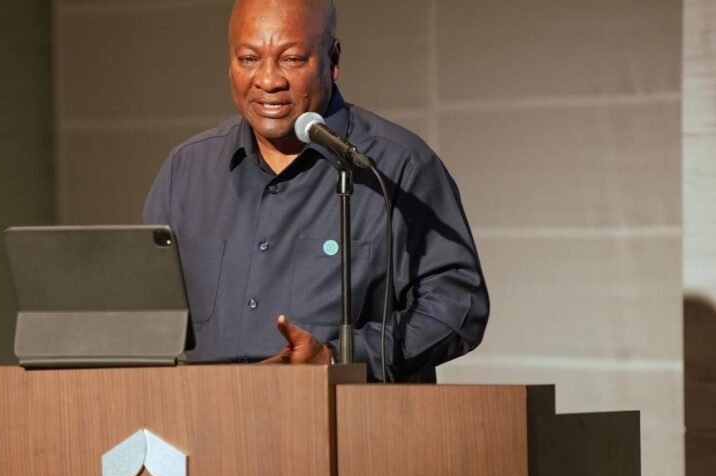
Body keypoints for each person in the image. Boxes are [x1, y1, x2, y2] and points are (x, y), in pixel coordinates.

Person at [142, 0, 488, 381]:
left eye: (291, 59)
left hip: (348, 423)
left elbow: (458, 306)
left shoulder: (397, 167)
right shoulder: (186, 170)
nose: (268, 80)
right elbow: (144, 313)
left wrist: (339, 360)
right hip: (206, 422)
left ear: (332, 59)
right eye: (249, 59)